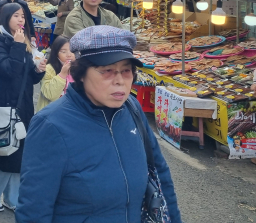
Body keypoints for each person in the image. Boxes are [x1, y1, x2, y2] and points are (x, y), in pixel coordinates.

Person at [16, 25, 182, 223]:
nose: (120, 81)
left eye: (126, 70)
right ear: (81, 74)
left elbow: (161, 174)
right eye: (107, 71)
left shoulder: (132, 109)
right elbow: (34, 209)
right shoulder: (50, 125)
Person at [0, 3, 45, 213]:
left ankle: (12, 197)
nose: (21, 20)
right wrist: (17, 46)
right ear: (6, 17)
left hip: (22, 105)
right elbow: (7, 71)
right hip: (4, 105)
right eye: (16, 16)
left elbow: (27, 77)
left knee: (20, 153)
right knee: (5, 153)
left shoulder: (22, 39)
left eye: (23, 16)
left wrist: (38, 70)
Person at [35, 35, 74, 112]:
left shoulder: (78, 69)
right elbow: (50, 95)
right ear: (56, 53)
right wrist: (62, 75)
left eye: (72, 51)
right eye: (63, 51)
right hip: (51, 113)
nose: (69, 54)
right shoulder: (49, 69)